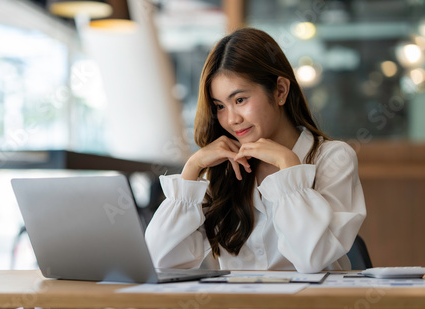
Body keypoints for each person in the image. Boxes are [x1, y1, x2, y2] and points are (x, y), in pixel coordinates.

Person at [145, 28, 366, 273]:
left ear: (280, 90)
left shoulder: (334, 158)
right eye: (219, 106)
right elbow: (161, 261)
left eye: (240, 100)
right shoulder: (222, 168)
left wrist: (289, 166)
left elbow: (313, 259)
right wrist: (192, 169)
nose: (231, 119)